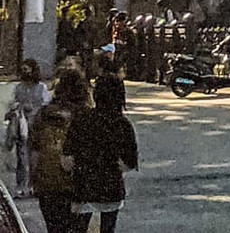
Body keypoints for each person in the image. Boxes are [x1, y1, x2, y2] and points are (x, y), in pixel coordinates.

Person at [64, 68, 139, 233]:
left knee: (78, 228)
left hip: (83, 186)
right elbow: (130, 162)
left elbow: (67, 160)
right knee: (108, 227)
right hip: (111, 188)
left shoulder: (81, 120)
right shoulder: (123, 124)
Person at [29, 69, 88, 233]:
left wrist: (33, 179)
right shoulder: (85, 115)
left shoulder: (43, 115)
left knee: (54, 228)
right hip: (77, 183)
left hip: (47, 181)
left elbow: (34, 150)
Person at [6, 57, 51, 195]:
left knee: (35, 157)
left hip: (37, 126)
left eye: (26, 69)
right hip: (21, 125)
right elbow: (12, 103)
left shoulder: (41, 87)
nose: (24, 72)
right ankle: (21, 185)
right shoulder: (18, 88)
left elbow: (46, 104)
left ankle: (33, 184)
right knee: (22, 156)